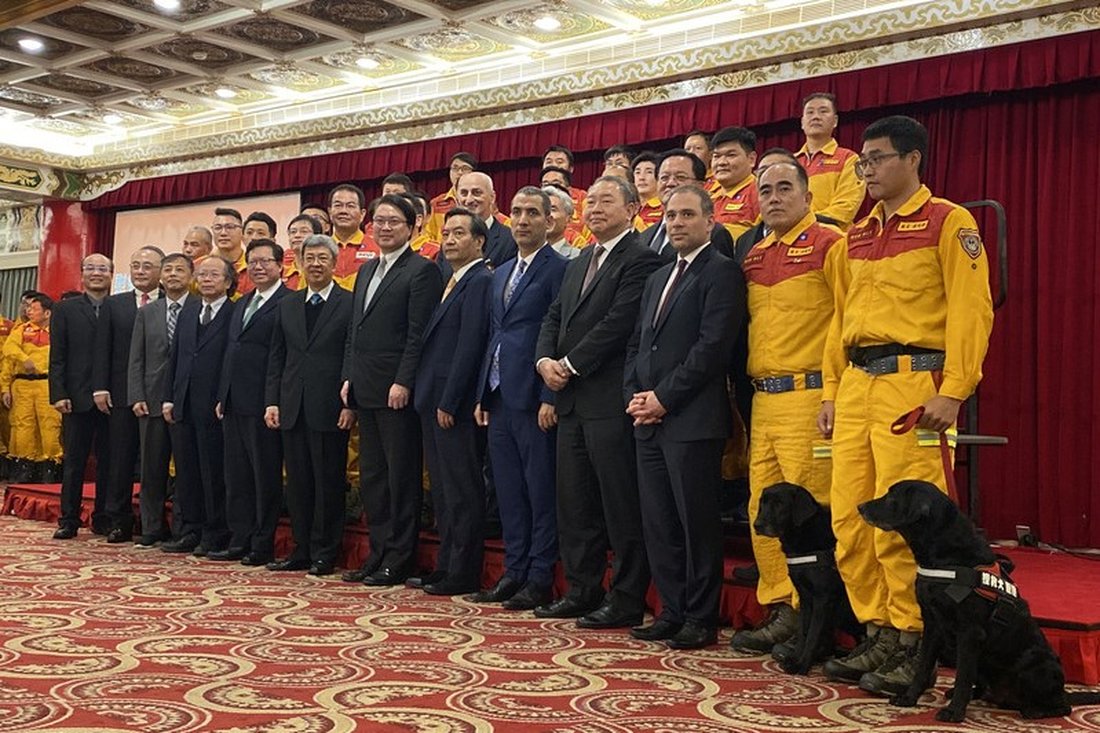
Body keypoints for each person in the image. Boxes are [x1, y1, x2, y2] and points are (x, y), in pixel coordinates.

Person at [817, 115, 994, 695]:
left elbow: (972, 309)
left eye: (877, 159)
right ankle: (878, 630)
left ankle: (914, 635)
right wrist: (831, 391)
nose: (866, 171)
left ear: (913, 158)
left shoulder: (949, 221)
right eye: (862, 162)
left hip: (914, 387)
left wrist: (955, 388)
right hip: (857, 386)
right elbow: (838, 321)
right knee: (850, 517)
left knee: (906, 521)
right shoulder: (855, 236)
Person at [534, 176, 661, 627]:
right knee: (575, 504)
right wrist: (544, 361)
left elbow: (619, 323)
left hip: (608, 401)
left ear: (632, 209)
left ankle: (625, 598)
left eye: (607, 201)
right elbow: (554, 316)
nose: (596, 209)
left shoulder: (641, 258)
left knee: (619, 506)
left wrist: (569, 364)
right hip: (570, 402)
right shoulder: (580, 259)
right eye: (591, 202)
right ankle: (582, 589)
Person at [728, 160, 841, 654]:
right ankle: (780, 607)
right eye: (766, 190)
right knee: (764, 508)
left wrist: (834, 394)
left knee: (808, 511)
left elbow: (846, 322)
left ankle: (815, 617)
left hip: (811, 397)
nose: (773, 198)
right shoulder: (753, 256)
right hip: (764, 401)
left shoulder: (830, 245)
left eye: (784, 189)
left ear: (808, 196)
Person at [626, 185, 744, 649]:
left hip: (692, 419)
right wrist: (635, 397)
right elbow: (638, 343)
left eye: (687, 215)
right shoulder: (659, 276)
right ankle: (670, 611)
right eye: (671, 215)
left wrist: (664, 398)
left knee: (696, 524)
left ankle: (700, 617)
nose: (676, 223)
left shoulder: (722, 271)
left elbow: (712, 349)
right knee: (659, 522)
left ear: (710, 221)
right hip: (648, 419)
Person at [467, 188, 568, 608]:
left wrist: (550, 396)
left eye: (533, 213)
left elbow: (559, 333)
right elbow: (495, 333)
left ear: (549, 221)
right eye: (518, 212)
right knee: (508, 489)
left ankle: (540, 576)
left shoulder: (559, 269)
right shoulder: (502, 270)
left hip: (533, 397)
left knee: (539, 490)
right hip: (498, 395)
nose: (523, 220)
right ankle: (514, 570)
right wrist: (482, 393)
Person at [341, 193, 443, 586]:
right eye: (379, 221)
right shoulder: (367, 269)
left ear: (413, 227)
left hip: (396, 391)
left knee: (401, 477)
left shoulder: (422, 271)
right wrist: (349, 376)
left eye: (393, 222)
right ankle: (377, 553)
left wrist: (404, 380)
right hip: (364, 387)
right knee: (373, 477)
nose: (384, 228)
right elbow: (355, 331)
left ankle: (399, 558)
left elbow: (418, 335)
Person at [412, 207, 493, 595]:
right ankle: (445, 565)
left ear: (479, 241)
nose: (449, 240)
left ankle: (463, 570)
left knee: (461, 490)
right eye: (446, 233)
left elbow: (470, 345)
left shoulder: (480, 280)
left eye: (459, 233)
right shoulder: (451, 279)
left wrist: (450, 399)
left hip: (453, 405)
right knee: (444, 490)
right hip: (433, 399)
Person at [266, 234, 356, 574]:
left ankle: (325, 552)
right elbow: (277, 357)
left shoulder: (349, 303)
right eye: (310, 258)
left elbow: (351, 354)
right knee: (299, 483)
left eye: (322, 258)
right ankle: (300, 549)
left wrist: (350, 403)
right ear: (300, 263)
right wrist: (272, 401)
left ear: (335, 263)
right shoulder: (287, 304)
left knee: (328, 482)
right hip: (292, 405)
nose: (315, 264)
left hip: (331, 407)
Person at [214, 239, 289, 567]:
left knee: (264, 476)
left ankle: (262, 542)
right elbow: (230, 352)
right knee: (237, 476)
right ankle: (239, 538)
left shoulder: (288, 302)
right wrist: (222, 394)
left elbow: (282, 358)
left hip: (264, 403)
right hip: (233, 401)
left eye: (265, 261)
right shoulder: (242, 302)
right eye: (253, 262)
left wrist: (273, 400)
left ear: (280, 265)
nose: (258, 267)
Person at [161, 256, 238, 556]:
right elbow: (176, 357)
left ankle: (215, 532)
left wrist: (224, 397)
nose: (206, 279)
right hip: (183, 403)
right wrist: (169, 397)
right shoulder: (190, 310)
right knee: (187, 471)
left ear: (228, 282)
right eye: (202, 274)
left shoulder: (234, 312)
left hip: (214, 406)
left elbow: (232, 361)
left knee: (213, 472)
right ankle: (190, 530)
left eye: (213, 275)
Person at [93, 246, 164, 543]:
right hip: (120, 394)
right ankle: (118, 520)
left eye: (147, 266)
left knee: (154, 461)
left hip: (159, 394)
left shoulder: (173, 302)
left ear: (161, 271)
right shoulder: (114, 304)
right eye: (135, 265)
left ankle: (153, 523)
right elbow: (102, 348)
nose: (140, 271)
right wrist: (100, 387)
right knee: (119, 459)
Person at [48, 253, 115, 539]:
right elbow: (58, 355)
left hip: (113, 399)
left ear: (111, 274)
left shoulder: (120, 306)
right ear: (82, 273)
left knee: (110, 463)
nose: (96, 273)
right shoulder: (65, 309)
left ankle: (103, 518)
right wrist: (58, 393)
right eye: (90, 268)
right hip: (75, 398)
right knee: (74, 462)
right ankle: (69, 519)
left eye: (102, 269)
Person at [129, 253, 192, 547]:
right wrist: (136, 395)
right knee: (151, 468)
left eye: (180, 269)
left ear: (191, 276)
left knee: (186, 469)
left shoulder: (199, 308)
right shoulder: (147, 312)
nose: (173, 274)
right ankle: (152, 526)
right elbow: (136, 358)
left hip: (186, 400)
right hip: (151, 399)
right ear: (161, 276)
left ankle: (183, 528)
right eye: (168, 270)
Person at [1, 293, 61, 483]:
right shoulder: (20, 330)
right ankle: (24, 468)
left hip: (47, 384)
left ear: (47, 313)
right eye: (28, 308)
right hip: (22, 385)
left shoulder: (58, 332)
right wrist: (5, 387)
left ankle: (51, 467)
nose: (29, 311)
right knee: (22, 427)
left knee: (50, 426)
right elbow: (8, 352)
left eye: (34, 309)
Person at [641, 149, 736, 261]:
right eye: (664, 178)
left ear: (700, 186)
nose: (670, 183)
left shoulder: (714, 233)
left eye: (680, 177)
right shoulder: (644, 236)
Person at [795, 92, 866, 230]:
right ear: (802, 122)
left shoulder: (849, 159)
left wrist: (804, 223)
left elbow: (846, 207)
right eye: (810, 112)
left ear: (835, 121)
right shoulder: (789, 163)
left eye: (823, 111)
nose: (816, 117)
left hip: (832, 235)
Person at [438, 172, 517, 280]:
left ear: (492, 197)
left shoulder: (510, 240)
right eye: (464, 193)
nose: (469, 200)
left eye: (476, 193)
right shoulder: (448, 241)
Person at [709, 126, 760, 241]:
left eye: (731, 155)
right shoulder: (707, 198)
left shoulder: (760, 193)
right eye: (716, 156)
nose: (721, 162)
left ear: (751, 159)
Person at [425, 152, 477, 243]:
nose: (459, 172)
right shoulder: (436, 203)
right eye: (455, 168)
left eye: (465, 168)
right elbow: (428, 235)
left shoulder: (479, 200)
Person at [212, 208, 253, 296]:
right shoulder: (199, 266)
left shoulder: (253, 266)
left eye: (230, 227)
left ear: (242, 231)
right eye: (218, 228)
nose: (223, 233)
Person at [283, 213, 323, 290]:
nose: (297, 235)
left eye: (304, 231)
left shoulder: (324, 269)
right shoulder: (282, 271)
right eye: (293, 232)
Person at [543, 185, 580, 260]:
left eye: (553, 210)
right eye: (541, 210)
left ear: (568, 219)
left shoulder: (578, 257)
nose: (546, 216)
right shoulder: (522, 254)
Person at [632, 152, 663, 230]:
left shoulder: (665, 207)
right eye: (637, 172)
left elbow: (650, 234)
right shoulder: (629, 206)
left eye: (649, 172)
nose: (641, 178)